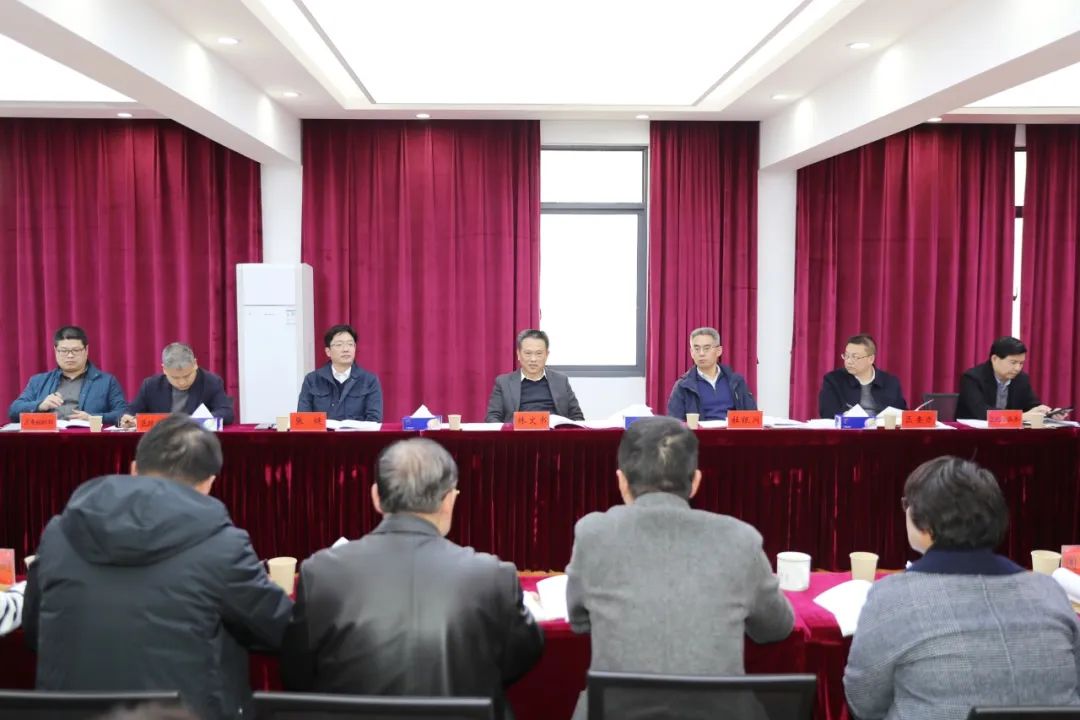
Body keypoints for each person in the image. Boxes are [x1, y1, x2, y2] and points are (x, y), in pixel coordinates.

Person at [24, 414, 293, 720]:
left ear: (133, 469)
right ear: (209, 483)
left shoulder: (59, 533)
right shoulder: (223, 545)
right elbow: (280, 630)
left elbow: (34, 631)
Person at [281, 438, 543, 719]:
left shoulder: (321, 572)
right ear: (449, 500)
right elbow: (520, 657)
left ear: (376, 497)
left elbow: (296, 674)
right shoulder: (493, 575)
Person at [565, 417, 794, 719]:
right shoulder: (740, 539)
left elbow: (579, 622)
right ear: (696, 481)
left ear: (621, 481)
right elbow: (775, 627)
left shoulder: (593, 534)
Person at [844, 456, 1080, 720]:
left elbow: (863, 702)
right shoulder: (1048, 590)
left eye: (906, 505)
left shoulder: (891, 597)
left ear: (925, 524)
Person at [7, 326, 126, 425]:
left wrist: (93, 418)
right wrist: (40, 405)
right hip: (47, 439)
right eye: (64, 351)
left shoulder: (107, 381)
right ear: (55, 351)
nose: (70, 356)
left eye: (76, 350)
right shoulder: (38, 381)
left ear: (86, 350)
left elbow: (123, 414)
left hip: (87, 440)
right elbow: (13, 411)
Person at [120, 343, 234, 427]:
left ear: (195, 364)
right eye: (175, 378)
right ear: (164, 369)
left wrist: (191, 421)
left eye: (187, 376)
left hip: (196, 441)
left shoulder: (211, 382)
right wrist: (127, 419)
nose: (182, 382)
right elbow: (130, 412)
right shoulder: (151, 385)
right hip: (160, 442)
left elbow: (226, 413)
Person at [485, 329, 585, 422]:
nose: (533, 359)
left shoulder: (560, 380)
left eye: (539, 353)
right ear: (518, 354)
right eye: (528, 353)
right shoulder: (504, 382)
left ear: (547, 355)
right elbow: (492, 418)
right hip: (518, 433)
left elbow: (577, 416)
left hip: (553, 433)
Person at [956, 336, 1060, 420]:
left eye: (1021, 363)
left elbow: (1032, 405)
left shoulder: (1021, 379)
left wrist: (1047, 413)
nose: (1018, 368)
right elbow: (982, 412)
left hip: (1010, 434)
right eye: (1013, 362)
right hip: (974, 434)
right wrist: (1020, 416)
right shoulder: (972, 378)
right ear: (994, 359)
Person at [296, 324, 383, 421]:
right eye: (339, 345)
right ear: (328, 351)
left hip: (356, 431)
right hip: (324, 431)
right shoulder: (312, 380)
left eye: (350, 344)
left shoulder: (369, 381)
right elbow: (303, 419)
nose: (346, 349)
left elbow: (374, 420)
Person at [666, 327, 756, 420]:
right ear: (692, 353)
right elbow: (674, 422)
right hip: (700, 429)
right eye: (696, 349)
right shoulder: (683, 386)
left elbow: (752, 417)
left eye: (706, 348)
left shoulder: (736, 381)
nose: (701, 353)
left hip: (731, 429)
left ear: (718, 351)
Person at [818, 334, 907, 418]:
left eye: (855, 357)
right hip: (849, 428)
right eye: (846, 356)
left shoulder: (890, 382)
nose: (848, 361)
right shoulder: (833, 380)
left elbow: (901, 413)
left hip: (882, 428)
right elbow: (827, 413)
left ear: (871, 359)